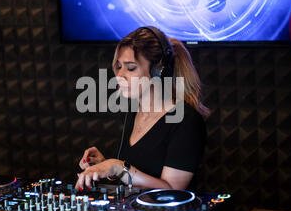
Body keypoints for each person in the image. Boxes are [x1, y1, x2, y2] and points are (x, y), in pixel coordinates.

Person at [74, 27, 209, 192]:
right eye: (119, 67)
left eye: (131, 68)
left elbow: (173, 190)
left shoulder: (187, 121)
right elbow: (133, 175)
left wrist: (117, 166)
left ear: (158, 72)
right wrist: (105, 167)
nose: (120, 75)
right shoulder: (133, 112)